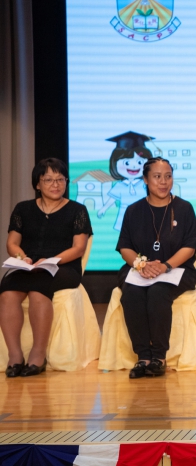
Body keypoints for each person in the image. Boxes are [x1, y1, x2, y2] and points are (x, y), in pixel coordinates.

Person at [1, 158, 92, 377]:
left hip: (64, 266)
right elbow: (12, 243)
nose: (55, 184)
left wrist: (52, 261)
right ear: (37, 184)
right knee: (7, 292)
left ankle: (38, 355)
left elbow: (78, 248)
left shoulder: (77, 210)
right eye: (49, 180)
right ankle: (15, 356)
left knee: (38, 290)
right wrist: (22, 258)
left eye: (60, 179)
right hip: (29, 265)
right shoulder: (23, 209)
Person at [116, 157, 196, 379]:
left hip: (176, 270)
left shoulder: (184, 208)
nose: (164, 182)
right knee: (132, 294)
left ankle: (159, 357)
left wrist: (165, 266)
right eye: (157, 177)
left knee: (157, 292)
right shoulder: (134, 210)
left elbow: (190, 247)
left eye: (168, 176)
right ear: (145, 179)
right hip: (139, 270)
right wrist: (141, 265)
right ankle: (143, 357)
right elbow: (125, 246)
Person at [97, 131, 154, 231]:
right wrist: (104, 208)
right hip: (125, 214)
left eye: (139, 162)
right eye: (126, 163)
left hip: (143, 213)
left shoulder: (146, 184)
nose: (134, 166)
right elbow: (112, 199)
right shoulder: (120, 185)